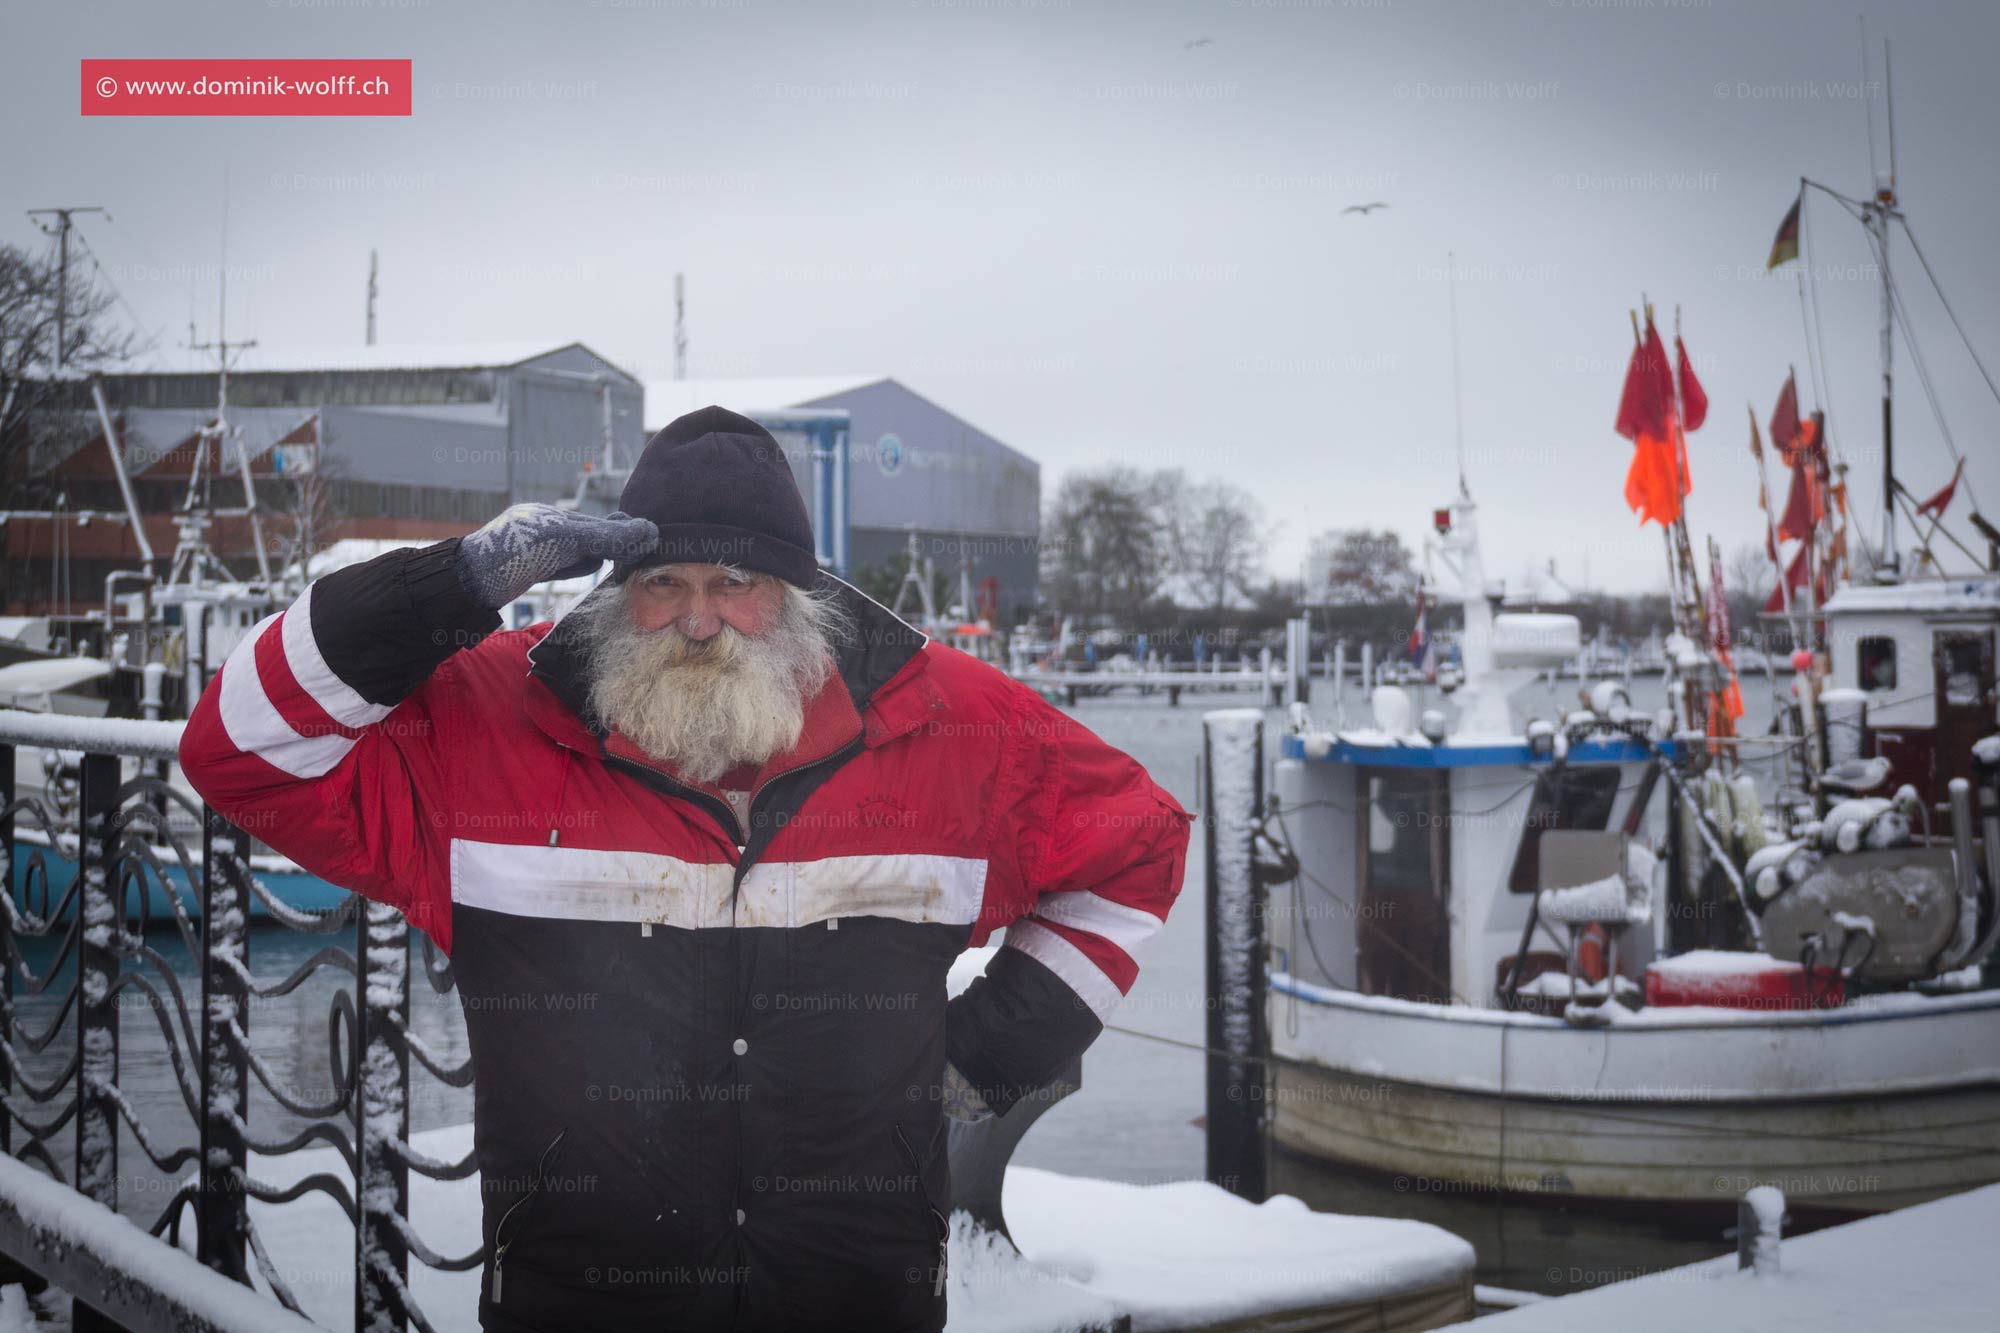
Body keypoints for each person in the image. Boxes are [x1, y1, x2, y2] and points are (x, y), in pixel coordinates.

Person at [178, 406, 1192, 1333]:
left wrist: (973, 1064)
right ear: (618, 588)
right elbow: (236, 748)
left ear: (795, 592)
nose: (697, 619)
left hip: (860, 1299)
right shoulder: (484, 724)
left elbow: (1134, 846)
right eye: (663, 582)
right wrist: (451, 582)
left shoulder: (948, 723)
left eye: (734, 585)